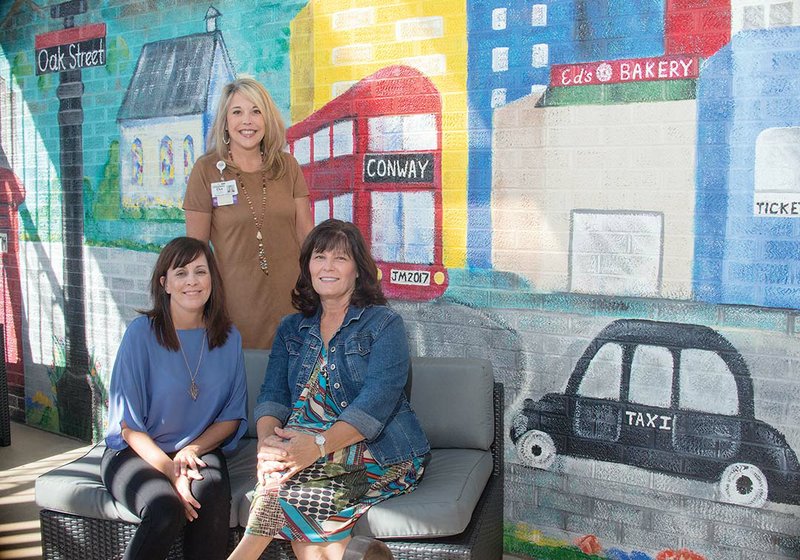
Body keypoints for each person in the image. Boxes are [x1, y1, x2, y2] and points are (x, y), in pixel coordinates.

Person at [228, 219, 430, 560]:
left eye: (340, 258)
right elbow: (272, 396)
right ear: (308, 267)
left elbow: (375, 404)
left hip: (377, 453)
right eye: (319, 257)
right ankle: (349, 554)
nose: (328, 267)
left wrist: (316, 447)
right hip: (303, 449)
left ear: (357, 270)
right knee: (287, 491)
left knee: (277, 491)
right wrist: (268, 445)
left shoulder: (384, 324)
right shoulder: (291, 328)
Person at [102, 236, 248, 560]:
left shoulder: (229, 338)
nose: (192, 281)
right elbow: (129, 427)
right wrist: (171, 472)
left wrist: (192, 450)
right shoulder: (141, 333)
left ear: (213, 279)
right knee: (166, 509)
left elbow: (231, 416)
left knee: (208, 495)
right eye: (181, 273)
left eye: (200, 271)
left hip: (197, 448)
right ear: (165, 283)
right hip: (135, 452)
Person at [183, 77, 314, 349]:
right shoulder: (206, 170)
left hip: (293, 304)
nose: (248, 121)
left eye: (256, 111)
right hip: (234, 308)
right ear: (225, 121)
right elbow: (195, 253)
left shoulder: (288, 167)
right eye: (238, 112)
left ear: (267, 119)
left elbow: (307, 238)